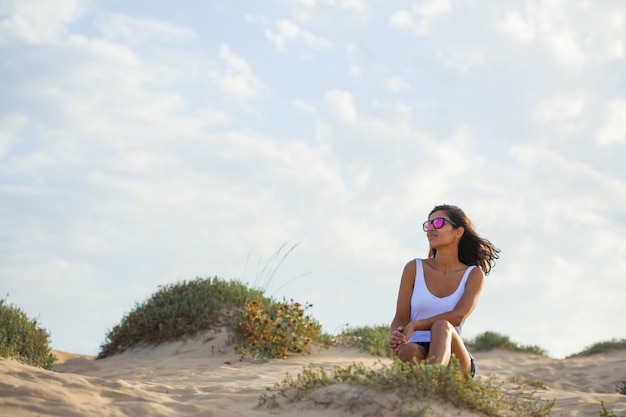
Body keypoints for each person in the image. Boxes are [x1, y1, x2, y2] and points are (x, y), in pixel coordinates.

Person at [389, 204, 500, 377]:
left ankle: (435, 378)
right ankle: (428, 382)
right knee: (408, 351)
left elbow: (458, 316)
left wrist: (416, 324)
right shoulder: (414, 268)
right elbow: (400, 318)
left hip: (455, 356)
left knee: (442, 325)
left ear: (458, 232)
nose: (431, 227)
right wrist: (397, 337)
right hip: (416, 348)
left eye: (439, 222)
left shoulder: (473, 274)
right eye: (429, 224)